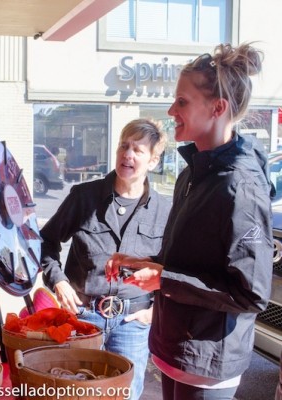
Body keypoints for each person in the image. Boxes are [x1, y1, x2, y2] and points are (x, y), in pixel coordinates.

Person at [106, 43, 272, 400]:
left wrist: (164, 278)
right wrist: (146, 265)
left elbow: (251, 293)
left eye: (182, 101)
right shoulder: (194, 171)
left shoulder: (240, 185)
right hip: (175, 350)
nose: (170, 111)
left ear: (218, 108)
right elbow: (190, 265)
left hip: (207, 361)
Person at [40, 118, 171, 400]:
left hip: (133, 324)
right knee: (76, 392)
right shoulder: (84, 197)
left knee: (125, 395)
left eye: (138, 150)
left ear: (153, 161)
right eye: (124, 146)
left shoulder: (165, 209)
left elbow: (174, 269)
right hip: (84, 318)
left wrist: (155, 311)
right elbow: (45, 241)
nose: (127, 154)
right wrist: (58, 281)